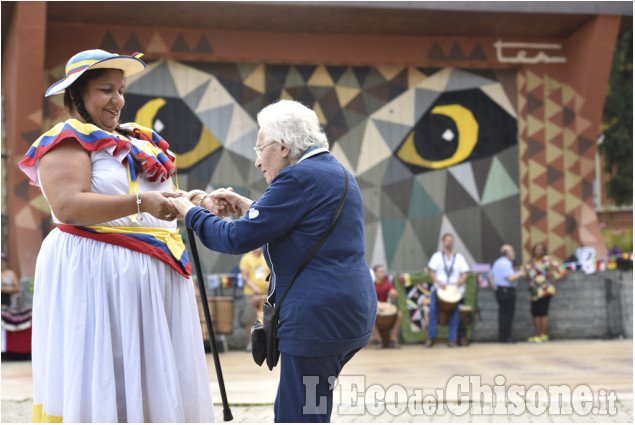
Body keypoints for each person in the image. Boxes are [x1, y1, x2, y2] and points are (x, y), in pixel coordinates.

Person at [17, 49, 215, 422]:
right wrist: (141, 202)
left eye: (121, 90)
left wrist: (199, 200)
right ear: (76, 94)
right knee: (105, 367)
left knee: (152, 375)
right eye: (106, 90)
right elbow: (68, 206)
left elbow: (161, 199)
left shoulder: (137, 139)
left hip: (153, 275)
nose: (118, 100)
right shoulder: (66, 140)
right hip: (96, 274)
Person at [170, 99, 377, 423]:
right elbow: (304, 226)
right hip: (350, 313)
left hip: (316, 319)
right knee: (311, 407)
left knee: (296, 414)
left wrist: (189, 211)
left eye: (259, 147)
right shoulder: (336, 171)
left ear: (282, 146)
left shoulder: (296, 178)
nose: (256, 161)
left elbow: (234, 239)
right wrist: (250, 206)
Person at [425, 233, 470, 348]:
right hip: (440, 289)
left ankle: (452, 340)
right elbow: (431, 271)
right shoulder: (437, 256)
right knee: (433, 312)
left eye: (451, 240)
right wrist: (438, 282)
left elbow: (465, 273)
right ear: (443, 242)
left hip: (454, 290)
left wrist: (461, 281)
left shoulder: (459, 257)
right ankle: (431, 338)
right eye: (447, 240)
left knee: (455, 314)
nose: (449, 242)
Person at [524, 242, 563, 343]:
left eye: (540, 249)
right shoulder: (533, 262)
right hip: (534, 291)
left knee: (543, 311)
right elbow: (526, 272)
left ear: (543, 250)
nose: (538, 251)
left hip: (545, 290)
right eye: (536, 249)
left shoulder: (547, 260)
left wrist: (550, 276)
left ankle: (544, 334)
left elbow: (560, 269)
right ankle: (537, 333)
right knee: (535, 312)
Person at [489, 244, 524, 343]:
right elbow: (510, 278)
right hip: (507, 291)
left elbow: (491, 276)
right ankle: (506, 338)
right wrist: (520, 273)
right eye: (512, 251)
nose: (514, 253)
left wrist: (495, 287)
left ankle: (503, 337)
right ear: (507, 253)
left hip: (500, 291)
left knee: (502, 315)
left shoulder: (497, 262)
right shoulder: (506, 263)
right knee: (507, 316)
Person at [240, 247, 270, 350]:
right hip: (251, 293)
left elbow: (271, 272)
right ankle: (251, 342)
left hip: (265, 293)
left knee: (266, 318)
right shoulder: (246, 258)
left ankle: (266, 343)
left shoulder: (267, 256)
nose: (259, 248)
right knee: (249, 318)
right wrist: (253, 287)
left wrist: (270, 282)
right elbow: (244, 277)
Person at [371, 265, 402, 349]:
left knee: (399, 314)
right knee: (369, 317)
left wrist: (393, 293)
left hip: (387, 310)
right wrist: (378, 304)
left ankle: (392, 340)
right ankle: (379, 341)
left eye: (383, 271)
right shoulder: (371, 285)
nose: (383, 274)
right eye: (380, 272)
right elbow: (369, 299)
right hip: (376, 310)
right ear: (375, 273)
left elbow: (395, 294)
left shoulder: (388, 284)